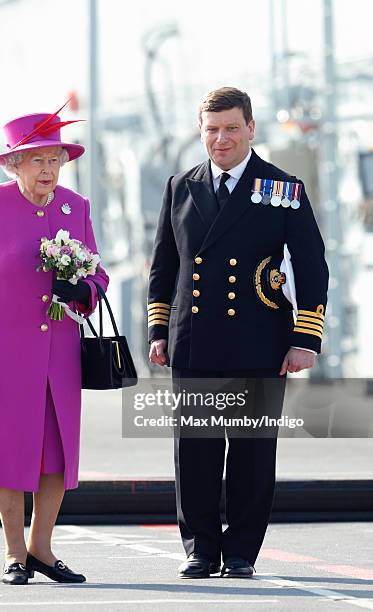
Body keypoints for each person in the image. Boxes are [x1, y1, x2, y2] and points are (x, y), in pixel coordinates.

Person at [148, 87, 328, 578]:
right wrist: (159, 328)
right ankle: (201, 549)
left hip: (258, 339)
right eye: (211, 129)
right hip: (194, 339)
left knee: (251, 454)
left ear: (251, 128)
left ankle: (243, 549)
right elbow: (165, 265)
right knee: (196, 451)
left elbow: (312, 266)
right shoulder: (180, 187)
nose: (220, 139)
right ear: (200, 131)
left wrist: (305, 337)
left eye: (231, 128)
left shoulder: (281, 188)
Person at [0, 107, 109, 585]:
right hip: (0, 354)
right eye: (36, 160)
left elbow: (99, 274)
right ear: (14, 165)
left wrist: (83, 291)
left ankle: (42, 548)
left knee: (55, 454)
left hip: (59, 356)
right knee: (9, 453)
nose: (48, 170)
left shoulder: (77, 207)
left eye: (54, 158)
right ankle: (14, 551)